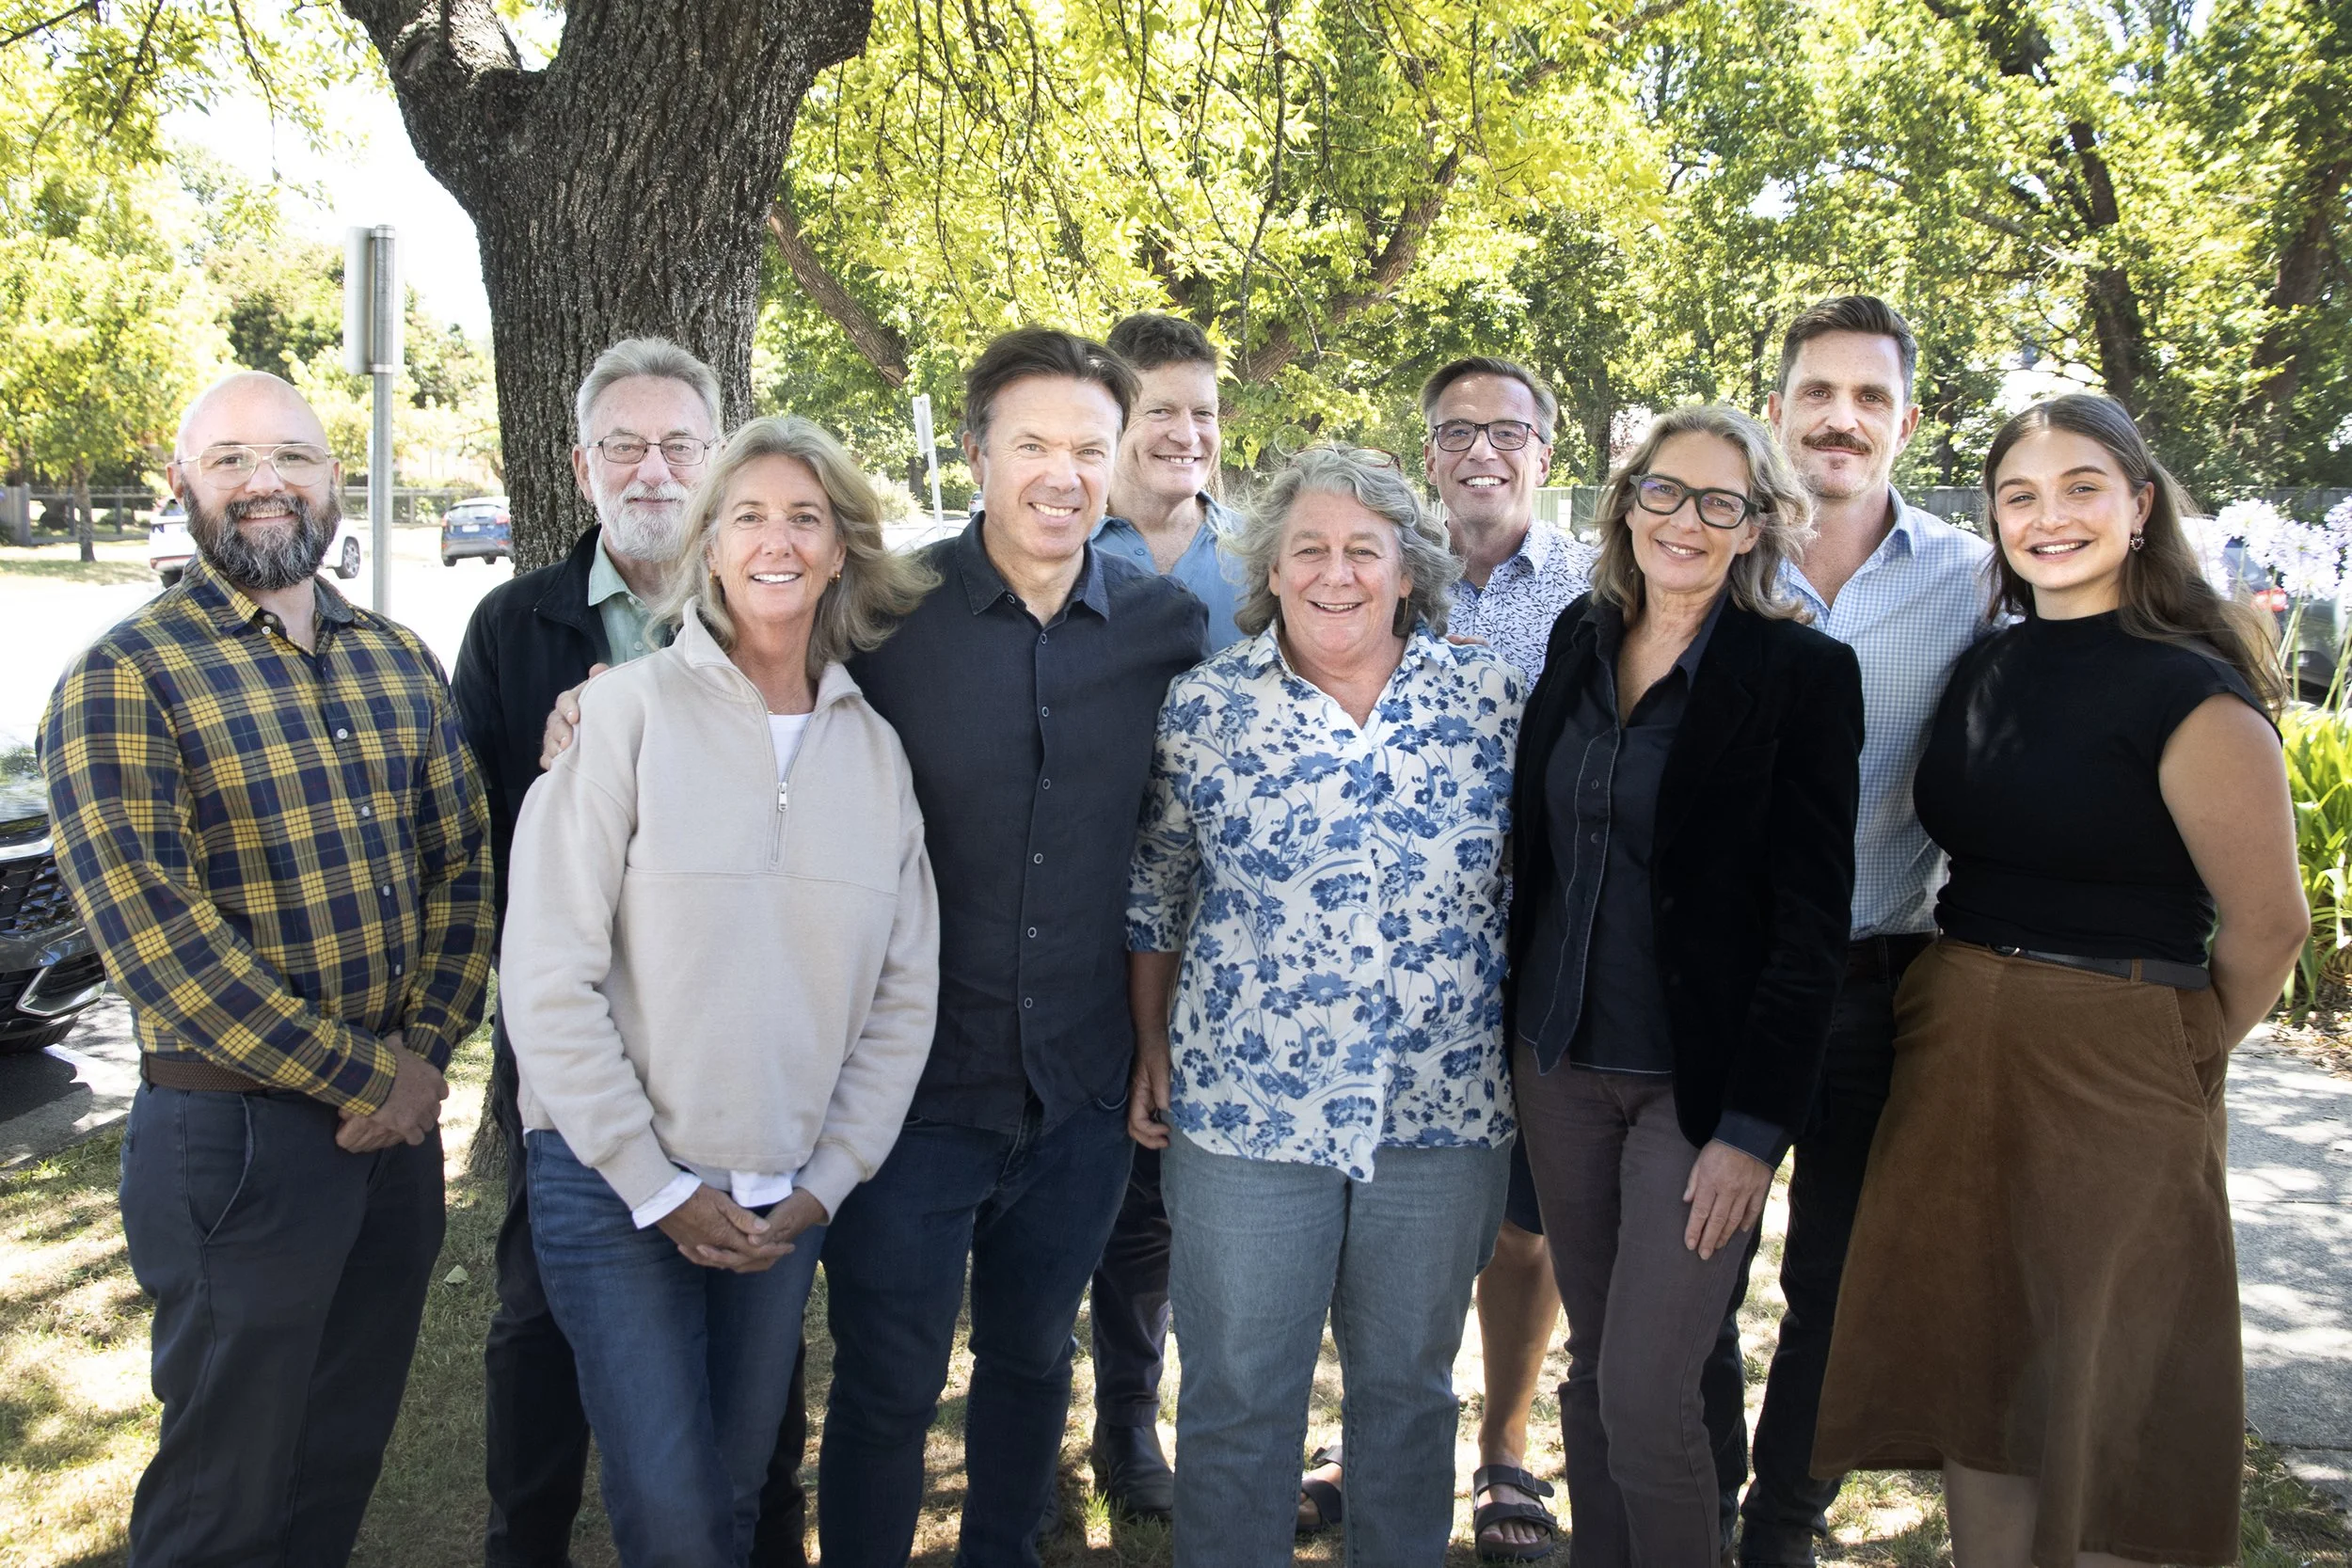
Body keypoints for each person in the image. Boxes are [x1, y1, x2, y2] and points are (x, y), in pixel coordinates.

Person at [1814, 393, 2307, 1568]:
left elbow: (2270, 926)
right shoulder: (1989, 660)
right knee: (1985, 1368)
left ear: (2139, 507)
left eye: (2082, 486)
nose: (2049, 517)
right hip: (1953, 1042)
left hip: (2117, 1058)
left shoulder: (2189, 689)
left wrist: (2172, 1050)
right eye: (2019, 495)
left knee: (2108, 1383)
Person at [40, 371, 494, 1566]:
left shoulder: (398, 659)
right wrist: (367, 1075)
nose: (264, 483)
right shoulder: (122, 679)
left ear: (333, 478)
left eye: (290, 456)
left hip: (388, 1135)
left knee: (339, 1450)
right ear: (182, 484)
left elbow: (462, 871)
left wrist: (424, 1050)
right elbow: (159, 939)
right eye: (231, 459)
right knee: (224, 1486)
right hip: (234, 1139)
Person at [500, 414, 941, 1568]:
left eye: (805, 517)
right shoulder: (621, 717)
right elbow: (546, 976)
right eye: (746, 515)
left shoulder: (876, 755)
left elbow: (902, 998)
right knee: (678, 1515)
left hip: (779, 1193)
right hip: (612, 1185)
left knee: (739, 1497)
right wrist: (651, 1183)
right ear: (708, 546)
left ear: (841, 549)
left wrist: (829, 1179)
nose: (776, 540)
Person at [818, 327, 1208, 1568]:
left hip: (1082, 1088)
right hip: (910, 1090)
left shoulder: (1165, 630)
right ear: (978, 451)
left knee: (1036, 1358)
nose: (1063, 473)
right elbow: (741, 694)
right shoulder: (884, 618)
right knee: (887, 1378)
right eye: (1032, 443)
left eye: (1090, 448)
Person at [454, 336, 832, 1568]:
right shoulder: (519, 627)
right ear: (582, 464)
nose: (653, 467)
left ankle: (761, 1538)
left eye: (681, 444)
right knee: (537, 1325)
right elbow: (483, 840)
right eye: (625, 443)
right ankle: (529, 1540)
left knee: (750, 1363)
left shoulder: (795, 627)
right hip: (575, 1055)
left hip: (737, 1053)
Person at [1128, 444, 1523, 1568]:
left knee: (1406, 1391)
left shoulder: (1491, 700)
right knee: (1241, 1395)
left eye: (1364, 549)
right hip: (1248, 1111)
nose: (1335, 572)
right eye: (1308, 548)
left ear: (1409, 569)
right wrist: (1150, 1040)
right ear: (1270, 568)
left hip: (1441, 1110)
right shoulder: (1203, 711)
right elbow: (1155, 890)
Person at [1507, 404, 1862, 1568]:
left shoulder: (1802, 675)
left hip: (1696, 1091)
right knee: (1600, 1368)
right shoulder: (1579, 635)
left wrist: (1754, 1129)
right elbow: (1541, 855)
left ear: (1757, 525)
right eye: (1664, 491)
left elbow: (1811, 926)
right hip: (1561, 1063)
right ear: (1625, 501)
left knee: (1653, 1392)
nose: (1686, 520)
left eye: (1721, 502)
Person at [1707, 294, 1994, 1568]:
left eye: (1871, 397)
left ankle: (1782, 1523)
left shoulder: (1976, 578)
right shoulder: (1710, 551)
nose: (1841, 417)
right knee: (1695, 1269)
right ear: (1778, 408)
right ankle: (1694, 1490)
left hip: (1875, 981)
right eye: (1818, 391)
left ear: (1907, 421)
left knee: (1833, 1282)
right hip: (1711, 982)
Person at [1422, 354, 1600, 1560]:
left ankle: (1503, 1445)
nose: (1480, 451)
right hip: (1404, 951)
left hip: (1543, 943)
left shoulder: (1600, 591)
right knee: (1406, 1204)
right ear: (1427, 450)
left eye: (1506, 430)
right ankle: (1391, 1422)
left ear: (1546, 451)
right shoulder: (1380, 575)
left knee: (1523, 1222)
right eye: (1454, 431)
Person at [1078, 309, 1246, 1521]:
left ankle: (1129, 1428)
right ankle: (1026, 1431)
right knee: (1041, 1192)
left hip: (1204, 930)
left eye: (1202, 411)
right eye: (1157, 410)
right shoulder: (1049, 545)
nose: (1184, 433)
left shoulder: (1258, 567)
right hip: (1057, 911)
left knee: (1150, 1201)